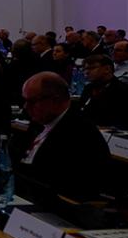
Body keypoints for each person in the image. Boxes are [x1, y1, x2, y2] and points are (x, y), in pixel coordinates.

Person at [7, 72, 110, 209]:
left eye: (32, 101)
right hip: (27, 195)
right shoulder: (41, 121)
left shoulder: (78, 132)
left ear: (55, 100)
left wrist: (2, 166)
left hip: (59, 207)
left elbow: (48, 178)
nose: (26, 107)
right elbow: (20, 155)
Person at [79, 54, 128, 130]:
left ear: (107, 69)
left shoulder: (126, 91)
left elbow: (127, 123)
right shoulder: (88, 88)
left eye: (92, 68)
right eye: (85, 69)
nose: (87, 72)